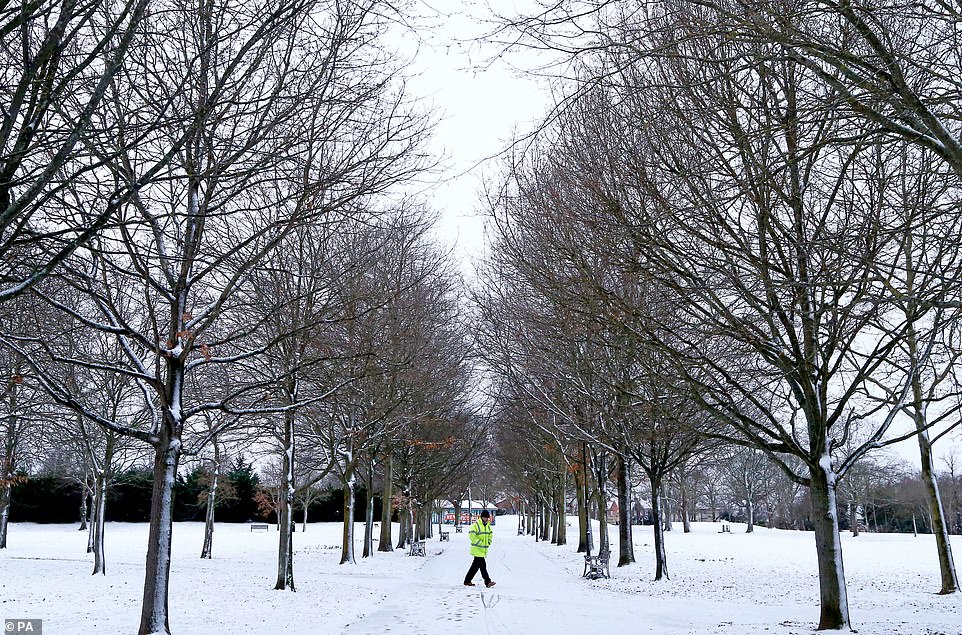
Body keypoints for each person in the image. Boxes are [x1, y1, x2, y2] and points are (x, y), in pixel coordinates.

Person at [463, 510, 495, 587]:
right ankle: (487, 582)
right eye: (485, 517)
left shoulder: (488, 526)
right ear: (481, 517)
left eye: (487, 517)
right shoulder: (475, 525)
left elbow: (490, 535)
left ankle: (467, 581)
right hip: (477, 549)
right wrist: (480, 543)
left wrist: (488, 542)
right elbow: (472, 536)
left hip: (483, 550)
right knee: (483, 566)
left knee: (475, 567)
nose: (486, 519)